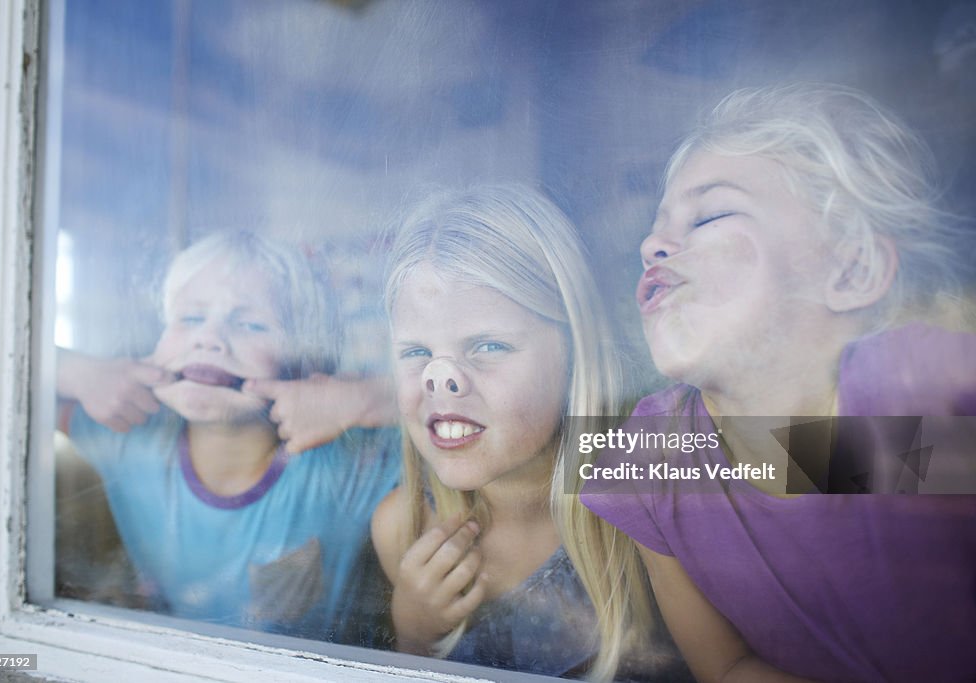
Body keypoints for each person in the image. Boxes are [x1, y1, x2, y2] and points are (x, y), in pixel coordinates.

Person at [582, 82, 976, 682]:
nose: (651, 246)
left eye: (710, 214)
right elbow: (727, 666)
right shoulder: (656, 456)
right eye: (655, 231)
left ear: (853, 269)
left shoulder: (914, 387)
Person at [370, 186, 690, 681]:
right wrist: (414, 635)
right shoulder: (404, 529)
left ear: (576, 351)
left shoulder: (649, 471)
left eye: (489, 344)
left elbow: (845, 457)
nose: (441, 378)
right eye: (415, 353)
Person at [56, 230, 399, 644]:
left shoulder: (345, 464)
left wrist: (359, 400)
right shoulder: (130, 433)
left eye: (251, 324)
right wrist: (79, 372)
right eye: (189, 319)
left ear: (306, 364)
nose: (209, 338)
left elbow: (467, 410)